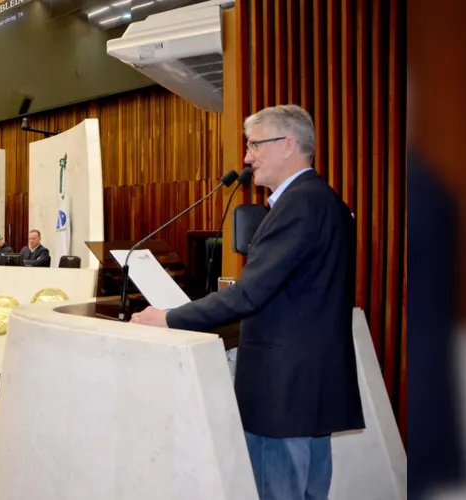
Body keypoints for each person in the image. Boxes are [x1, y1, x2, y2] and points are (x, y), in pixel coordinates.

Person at [131, 104, 363, 500]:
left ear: (288, 144)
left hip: (283, 390)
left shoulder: (300, 204)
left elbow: (249, 293)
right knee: (309, 490)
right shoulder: (325, 201)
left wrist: (168, 318)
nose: (246, 156)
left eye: (255, 145)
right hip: (309, 387)